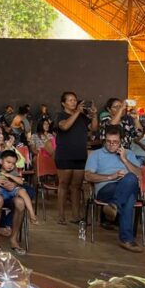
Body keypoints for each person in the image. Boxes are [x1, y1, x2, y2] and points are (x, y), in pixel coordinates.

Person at [85, 126, 145, 252]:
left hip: (126, 185)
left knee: (130, 178)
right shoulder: (96, 154)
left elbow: (139, 175)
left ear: (121, 141)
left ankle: (114, 205)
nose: (111, 145)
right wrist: (111, 176)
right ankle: (127, 240)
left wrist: (124, 159)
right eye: (108, 141)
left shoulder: (128, 153)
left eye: (115, 142)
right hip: (106, 188)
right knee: (129, 197)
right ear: (104, 140)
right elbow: (88, 176)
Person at [55, 91, 98, 225]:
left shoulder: (82, 116)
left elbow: (94, 128)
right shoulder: (60, 115)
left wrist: (94, 115)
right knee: (63, 185)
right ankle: (61, 216)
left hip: (80, 155)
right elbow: (65, 126)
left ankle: (76, 215)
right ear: (63, 103)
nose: (74, 102)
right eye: (70, 100)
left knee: (77, 187)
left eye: (75, 100)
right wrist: (77, 112)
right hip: (65, 155)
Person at [0, 150, 37, 245]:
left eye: (13, 163)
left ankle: (32, 214)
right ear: (1, 161)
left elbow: (21, 182)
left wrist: (9, 175)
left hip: (12, 192)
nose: (10, 165)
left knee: (23, 191)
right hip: (1, 191)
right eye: (8, 162)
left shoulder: (14, 172)